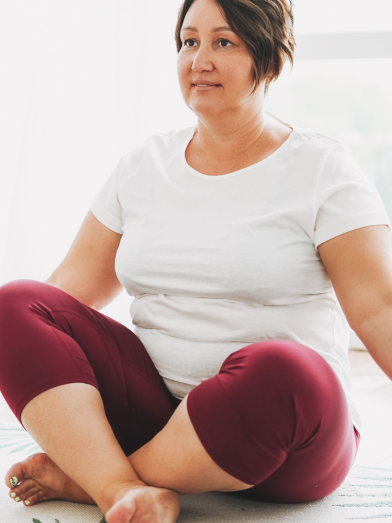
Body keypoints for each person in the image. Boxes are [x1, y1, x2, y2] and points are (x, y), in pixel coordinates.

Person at [1, 0, 392, 521]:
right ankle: (121, 487)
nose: (199, 60)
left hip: (286, 437)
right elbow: (64, 296)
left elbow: (378, 311)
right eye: (189, 41)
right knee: (13, 302)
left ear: (270, 61)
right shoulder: (144, 167)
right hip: (155, 415)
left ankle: (90, 478)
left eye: (223, 42)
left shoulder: (324, 170)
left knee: (285, 367)